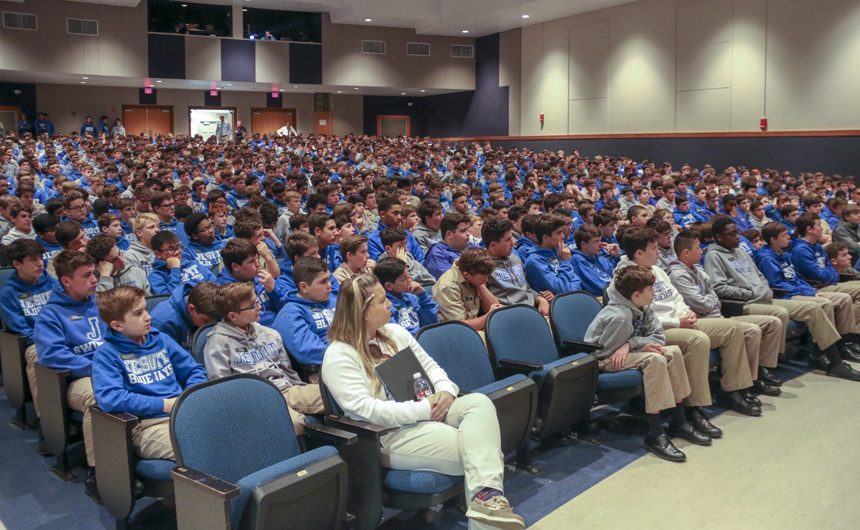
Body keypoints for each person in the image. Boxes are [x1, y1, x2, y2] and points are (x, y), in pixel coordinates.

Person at [321, 274, 525, 530]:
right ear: (363, 312)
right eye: (382, 301)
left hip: (429, 410)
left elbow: (431, 367)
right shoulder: (339, 355)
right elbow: (364, 410)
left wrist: (446, 392)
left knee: (479, 403)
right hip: (388, 434)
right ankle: (489, 512)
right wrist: (424, 409)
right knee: (479, 451)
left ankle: (486, 504)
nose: (390, 304)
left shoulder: (394, 332)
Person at [609, 227, 738, 429]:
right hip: (656, 332)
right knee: (697, 340)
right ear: (639, 253)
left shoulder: (658, 271)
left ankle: (733, 390)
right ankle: (693, 407)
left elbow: (676, 297)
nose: (659, 252)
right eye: (654, 248)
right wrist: (678, 322)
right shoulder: (624, 279)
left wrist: (687, 312)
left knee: (732, 328)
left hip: (680, 321)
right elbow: (642, 319)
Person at [705, 217, 860, 381]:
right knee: (781, 313)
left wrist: (763, 288)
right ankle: (832, 362)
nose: (737, 237)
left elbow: (760, 277)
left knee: (815, 308)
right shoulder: (714, 256)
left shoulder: (741, 252)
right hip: (745, 303)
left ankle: (831, 356)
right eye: (732, 234)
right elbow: (719, 287)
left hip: (765, 297)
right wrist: (749, 293)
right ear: (718, 237)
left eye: (737, 232)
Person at [585, 265, 699, 461]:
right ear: (636, 295)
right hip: (603, 360)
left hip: (626, 352)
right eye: (650, 289)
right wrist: (637, 347)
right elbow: (603, 352)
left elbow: (659, 338)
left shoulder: (645, 306)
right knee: (655, 359)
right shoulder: (620, 317)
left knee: (673, 352)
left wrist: (631, 344)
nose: (654, 292)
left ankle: (679, 421)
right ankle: (655, 433)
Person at [92, 285, 207, 466]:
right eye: (138, 314)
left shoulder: (160, 339)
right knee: (202, 449)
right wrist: (164, 405)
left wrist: (188, 397)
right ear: (117, 325)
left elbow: (194, 371)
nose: (148, 316)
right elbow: (110, 398)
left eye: (145, 309)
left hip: (183, 412)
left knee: (233, 434)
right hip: (146, 426)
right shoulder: (106, 354)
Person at [667, 231, 784, 397]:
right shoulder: (677, 275)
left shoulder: (698, 269)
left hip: (716, 317)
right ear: (686, 252)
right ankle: (734, 388)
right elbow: (701, 304)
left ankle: (755, 376)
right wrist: (711, 299)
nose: (701, 251)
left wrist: (711, 299)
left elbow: (713, 297)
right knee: (745, 329)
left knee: (769, 323)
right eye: (698, 248)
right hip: (700, 321)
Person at [35, 250, 109, 502]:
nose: (94, 279)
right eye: (86, 276)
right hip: (77, 380)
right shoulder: (50, 314)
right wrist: (96, 368)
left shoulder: (100, 303)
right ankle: (99, 474)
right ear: (66, 281)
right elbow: (51, 356)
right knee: (97, 399)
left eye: (94, 273)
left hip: (108, 368)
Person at [204, 282, 324, 433]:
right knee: (294, 422)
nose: (259, 307)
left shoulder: (269, 334)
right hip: (255, 402)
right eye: (252, 305)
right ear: (233, 316)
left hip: (285, 390)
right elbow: (223, 390)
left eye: (257, 302)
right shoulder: (217, 345)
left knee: (335, 396)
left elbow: (287, 370)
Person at [754, 222, 860, 363]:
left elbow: (797, 278)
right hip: (785, 295)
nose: (789, 237)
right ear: (773, 240)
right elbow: (777, 285)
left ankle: (844, 343)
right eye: (784, 235)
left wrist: (810, 291)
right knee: (824, 303)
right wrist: (808, 292)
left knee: (842, 298)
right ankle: (822, 353)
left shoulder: (784, 255)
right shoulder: (767, 258)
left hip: (798, 290)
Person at [0, 239, 57, 420]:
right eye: (33, 259)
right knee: (38, 357)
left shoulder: (54, 284)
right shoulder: (8, 295)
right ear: (17, 264)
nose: (40, 263)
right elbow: (22, 330)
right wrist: (50, 340)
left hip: (62, 336)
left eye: (40, 257)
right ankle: (48, 423)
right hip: (35, 343)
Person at [271, 257, 337, 372]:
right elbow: (308, 351)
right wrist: (347, 355)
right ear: (304, 287)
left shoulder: (334, 302)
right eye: (323, 282)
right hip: (322, 370)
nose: (329, 285)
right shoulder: (290, 314)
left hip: (350, 357)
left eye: (329, 279)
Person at [482, 217, 550, 315]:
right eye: (508, 240)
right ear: (493, 245)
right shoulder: (482, 266)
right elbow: (487, 306)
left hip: (532, 309)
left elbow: (526, 288)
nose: (513, 243)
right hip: (510, 314)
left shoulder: (514, 258)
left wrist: (540, 299)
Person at [215, 239, 284, 327]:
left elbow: (284, 308)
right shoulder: (224, 291)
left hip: (279, 325)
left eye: (257, 259)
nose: (258, 264)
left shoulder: (262, 277)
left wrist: (273, 291)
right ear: (235, 266)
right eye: (251, 261)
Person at [433, 247, 502, 333]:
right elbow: (462, 327)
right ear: (466, 274)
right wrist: (489, 315)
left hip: (475, 327)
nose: (486, 280)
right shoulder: (448, 287)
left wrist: (479, 284)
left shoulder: (472, 275)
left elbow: (496, 308)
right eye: (483, 278)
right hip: (456, 333)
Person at [374, 257, 438, 335]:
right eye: (404, 279)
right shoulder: (385, 307)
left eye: (408, 275)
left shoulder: (411, 296)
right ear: (389, 286)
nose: (409, 280)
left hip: (424, 338)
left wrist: (423, 296)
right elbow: (397, 337)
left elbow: (432, 323)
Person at [150, 281, 220, 351]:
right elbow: (171, 355)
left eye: (214, 320)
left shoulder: (211, 311)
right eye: (205, 321)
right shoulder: (164, 323)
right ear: (191, 308)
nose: (209, 325)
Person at [524, 214, 581, 295]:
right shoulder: (535, 261)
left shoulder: (559, 252)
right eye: (559, 233)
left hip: (572, 297)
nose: (563, 236)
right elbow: (560, 288)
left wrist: (562, 292)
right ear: (545, 238)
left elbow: (577, 281)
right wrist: (565, 262)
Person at [149, 231, 216, 295]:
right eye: (170, 249)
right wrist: (175, 270)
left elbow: (216, 284)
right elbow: (168, 298)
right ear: (157, 254)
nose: (177, 252)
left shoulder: (193, 264)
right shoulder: (156, 275)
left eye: (178, 247)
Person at [86, 233, 152, 294]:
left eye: (119, 253)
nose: (121, 260)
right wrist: (105, 277)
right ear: (101, 264)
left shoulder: (137, 273)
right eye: (114, 260)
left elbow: (149, 301)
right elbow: (101, 302)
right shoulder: (92, 282)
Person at [424, 211, 472, 279]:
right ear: (449, 234)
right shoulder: (437, 254)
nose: (468, 233)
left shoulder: (472, 246)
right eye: (463, 231)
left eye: (467, 230)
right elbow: (452, 280)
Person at [571, 224, 615, 297]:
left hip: (612, 292)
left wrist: (617, 256)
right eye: (596, 241)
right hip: (599, 297)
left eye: (600, 240)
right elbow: (598, 288)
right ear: (584, 244)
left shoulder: (598, 257)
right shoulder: (577, 260)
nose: (600, 244)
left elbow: (616, 274)